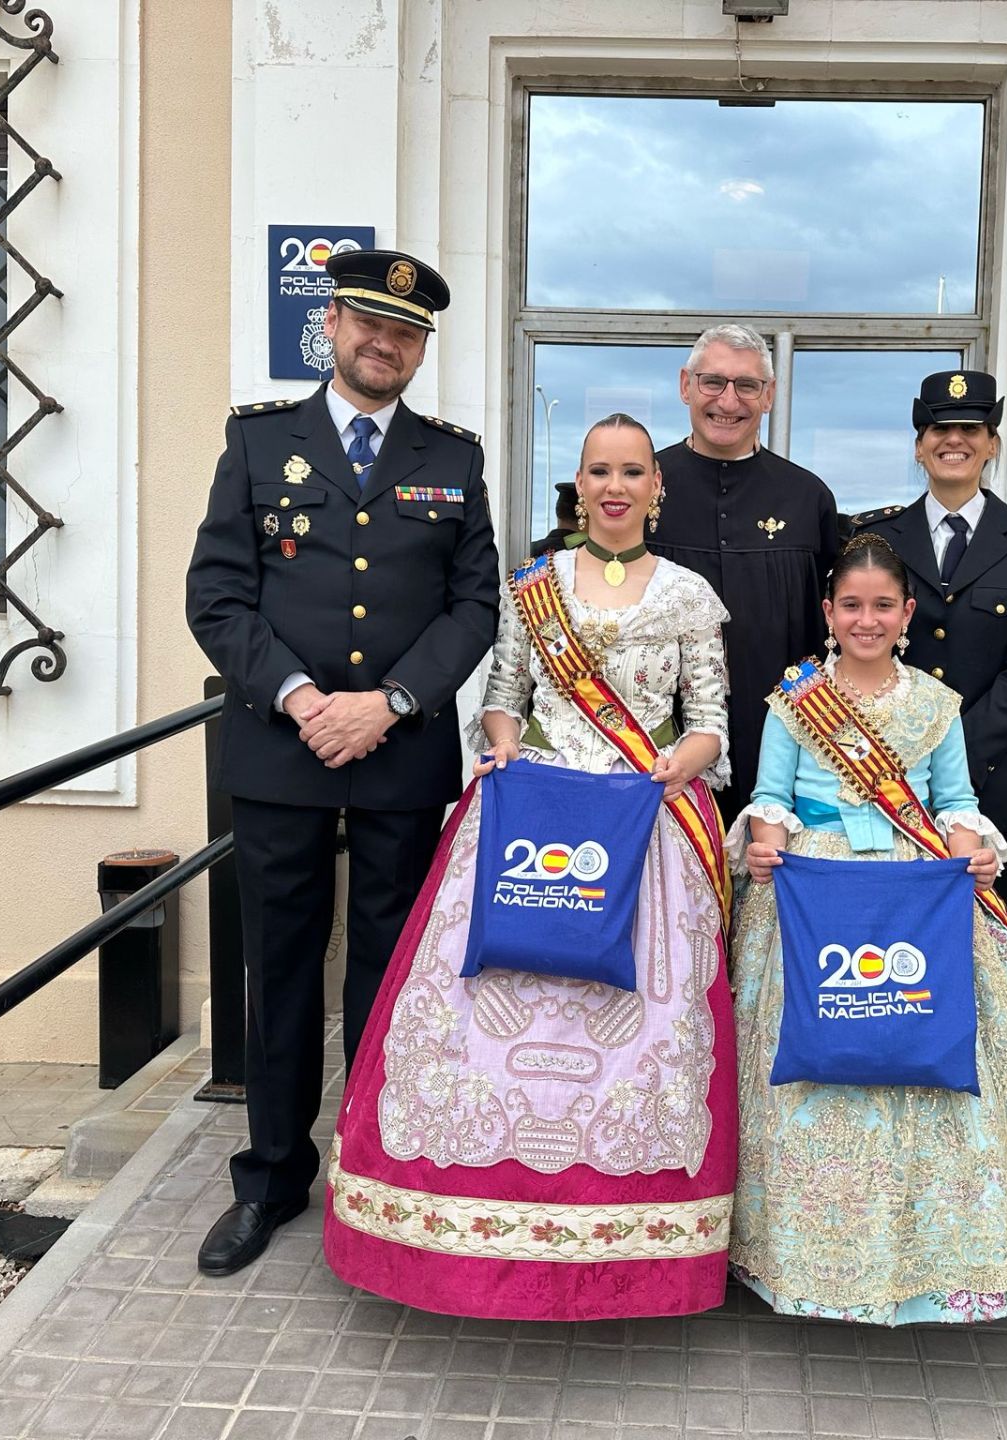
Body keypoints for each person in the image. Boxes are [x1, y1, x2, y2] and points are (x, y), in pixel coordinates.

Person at [323, 413, 738, 1320]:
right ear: (579, 484)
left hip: (646, 820)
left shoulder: (691, 596)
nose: (616, 486)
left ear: (656, 486)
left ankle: (636, 1245)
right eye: (600, 471)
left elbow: (711, 720)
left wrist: (680, 763)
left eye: (633, 471)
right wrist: (505, 745)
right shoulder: (534, 587)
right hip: (535, 824)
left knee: (641, 1036)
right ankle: (461, 1232)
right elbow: (503, 698)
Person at [726, 533, 1007, 1324]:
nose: (867, 619)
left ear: (908, 613)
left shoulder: (934, 705)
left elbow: (951, 802)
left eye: (883, 605)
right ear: (828, 612)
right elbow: (769, 793)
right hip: (816, 892)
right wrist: (766, 844)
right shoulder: (794, 702)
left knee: (926, 1043)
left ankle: (946, 1257)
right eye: (852, 605)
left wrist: (974, 852)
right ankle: (797, 1257)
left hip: (913, 888)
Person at [185, 248, 500, 1277]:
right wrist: (304, 699)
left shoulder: (456, 459)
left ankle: (373, 1174)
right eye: (369, 323)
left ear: (422, 348)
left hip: (400, 758)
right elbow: (218, 596)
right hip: (282, 754)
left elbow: (473, 607)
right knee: (277, 970)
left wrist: (393, 702)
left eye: (406, 331)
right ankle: (273, 1175)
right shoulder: (258, 441)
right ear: (332, 324)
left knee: (389, 975)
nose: (386, 342)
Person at [850, 370, 1007, 921]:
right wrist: (904, 752)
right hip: (889, 769)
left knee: (988, 935)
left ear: (992, 443)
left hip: (989, 772)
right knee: (892, 928)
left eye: (971, 427)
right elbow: (857, 647)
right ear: (919, 447)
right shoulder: (874, 539)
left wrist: (951, 754)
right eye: (939, 429)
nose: (955, 440)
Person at [650, 324, 838, 822]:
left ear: (769, 395)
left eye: (747, 385)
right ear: (685, 385)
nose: (728, 401)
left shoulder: (807, 498)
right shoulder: (643, 489)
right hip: (660, 751)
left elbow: (828, 636)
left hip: (779, 749)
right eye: (713, 382)